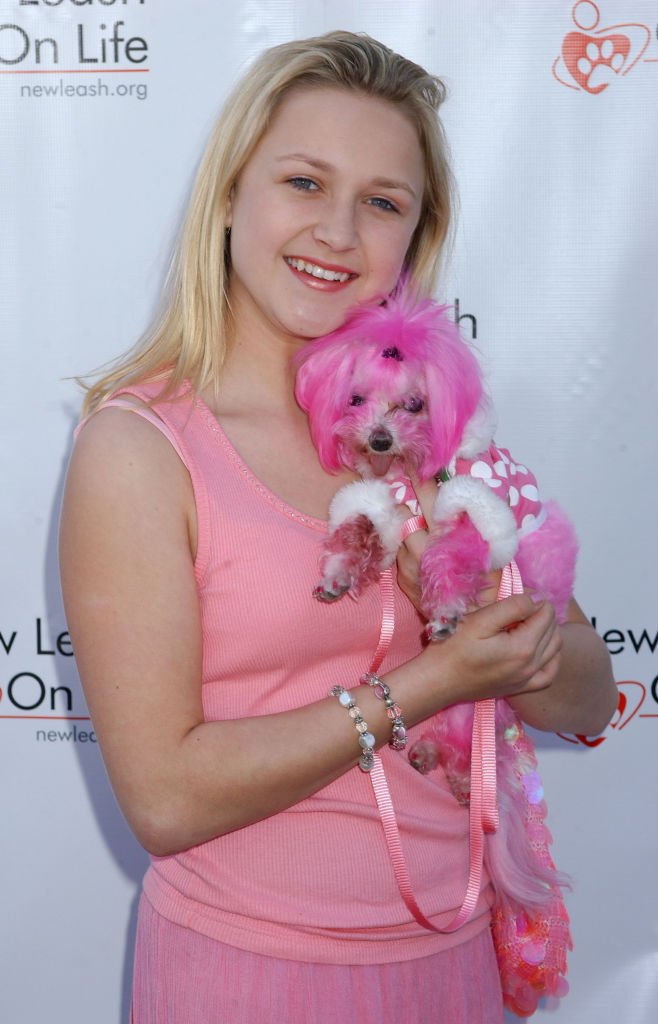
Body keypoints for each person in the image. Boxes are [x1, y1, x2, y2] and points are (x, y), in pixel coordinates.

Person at [59, 30, 617, 1024]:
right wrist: (435, 679)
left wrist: (520, 642)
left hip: (455, 961)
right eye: (304, 183)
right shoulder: (139, 450)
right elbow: (165, 798)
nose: (337, 232)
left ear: (415, 234)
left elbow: (588, 694)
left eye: (381, 202)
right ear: (231, 193)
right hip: (246, 977)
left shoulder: (421, 420)